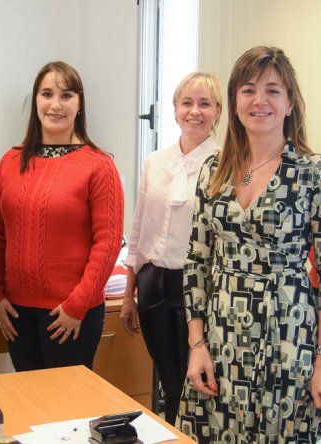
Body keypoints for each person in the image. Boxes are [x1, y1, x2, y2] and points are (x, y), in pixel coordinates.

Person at [176, 46, 321, 442]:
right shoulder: (213, 171)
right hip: (220, 337)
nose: (260, 101)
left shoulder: (315, 172)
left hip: (287, 336)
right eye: (248, 89)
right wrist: (196, 343)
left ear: (290, 103)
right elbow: (196, 261)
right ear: (234, 103)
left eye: (273, 90)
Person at [0, 61, 124, 371]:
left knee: (66, 412)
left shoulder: (98, 165)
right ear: (35, 102)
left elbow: (108, 242)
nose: (55, 105)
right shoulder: (11, 161)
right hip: (16, 313)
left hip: (71, 314)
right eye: (47, 94)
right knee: (31, 405)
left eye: (67, 95)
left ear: (79, 104)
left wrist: (78, 305)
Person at [119, 71, 222, 425]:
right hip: (153, 284)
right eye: (187, 103)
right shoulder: (155, 162)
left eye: (204, 104)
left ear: (218, 112)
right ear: (175, 109)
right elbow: (138, 231)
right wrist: (129, 294)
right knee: (168, 377)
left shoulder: (225, 165)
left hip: (197, 288)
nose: (195, 111)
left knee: (195, 380)